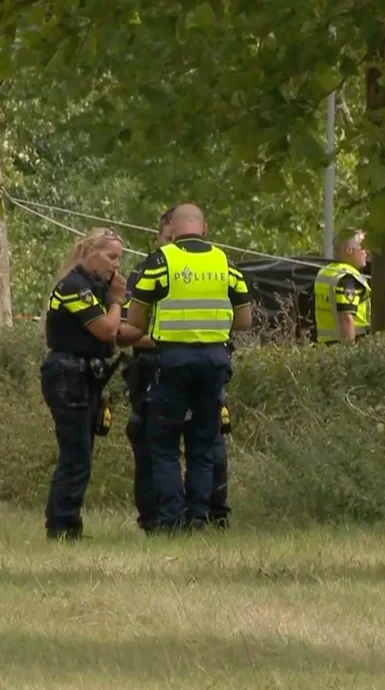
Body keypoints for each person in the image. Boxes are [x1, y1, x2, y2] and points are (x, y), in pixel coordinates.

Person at [124, 203, 252, 532]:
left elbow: (136, 320)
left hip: (172, 362)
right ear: (204, 228)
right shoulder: (226, 263)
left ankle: (171, 519)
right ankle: (199, 517)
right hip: (214, 362)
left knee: (164, 444)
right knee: (204, 442)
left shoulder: (159, 262)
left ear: (173, 228)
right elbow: (244, 320)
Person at [40, 227, 127, 541]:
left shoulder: (95, 287)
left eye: (119, 258)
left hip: (85, 374)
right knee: (75, 455)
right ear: (90, 251)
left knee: (82, 453)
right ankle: (62, 527)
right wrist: (117, 301)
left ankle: (68, 523)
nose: (116, 265)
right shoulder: (76, 287)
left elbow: (121, 330)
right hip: (68, 374)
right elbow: (107, 330)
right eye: (110, 256)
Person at [118, 208, 174, 534]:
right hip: (151, 367)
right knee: (149, 445)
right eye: (168, 239)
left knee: (205, 446)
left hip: (194, 368)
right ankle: (153, 520)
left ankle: (204, 519)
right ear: (159, 235)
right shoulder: (143, 273)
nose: (172, 246)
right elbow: (129, 330)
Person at [314, 232, 371, 344]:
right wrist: (349, 352)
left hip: (326, 344)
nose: (367, 253)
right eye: (363, 248)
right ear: (349, 250)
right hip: (350, 342)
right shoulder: (347, 278)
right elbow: (346, 319)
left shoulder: (325, 272)